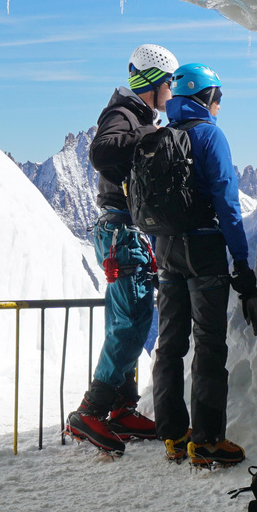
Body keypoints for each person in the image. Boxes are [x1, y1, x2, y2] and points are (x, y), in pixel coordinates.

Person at [151, 63, 257, 468]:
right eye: (217, 96)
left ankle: (172, 435)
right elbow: (227, 203)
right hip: (203, 251)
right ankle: (205, 442)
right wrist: (241, 263)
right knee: (208, 346)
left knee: (169, 344)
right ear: (203, 98)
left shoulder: (161, 137)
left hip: (166, 251)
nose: (220, 104)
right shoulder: (209, 135)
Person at [64, 43, 178, 454]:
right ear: (154, 82)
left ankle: (121, 408)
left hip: (127, 231)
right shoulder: (124, 115)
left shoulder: (135, 115)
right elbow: (100, 151)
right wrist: (152, 134)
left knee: (128, 318)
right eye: (169, 83)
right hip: (121, 230)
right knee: (131, 322)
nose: (172, 91)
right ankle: (90, 411)